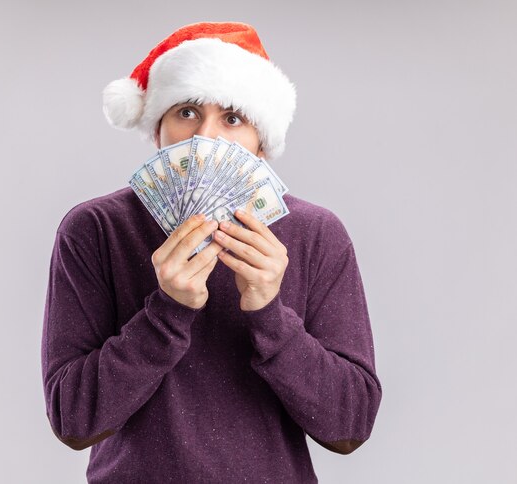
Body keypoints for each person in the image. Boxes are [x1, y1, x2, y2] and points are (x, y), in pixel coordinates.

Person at [41, 22, 382, 483]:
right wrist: (166, 313)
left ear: (262, 142)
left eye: (234, 117)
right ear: (157, 130)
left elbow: (350, 426)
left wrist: (268, 313)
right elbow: (74, 420)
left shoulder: (316, 234)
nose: (207, 137)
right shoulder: (96, 229)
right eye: (185, 111)